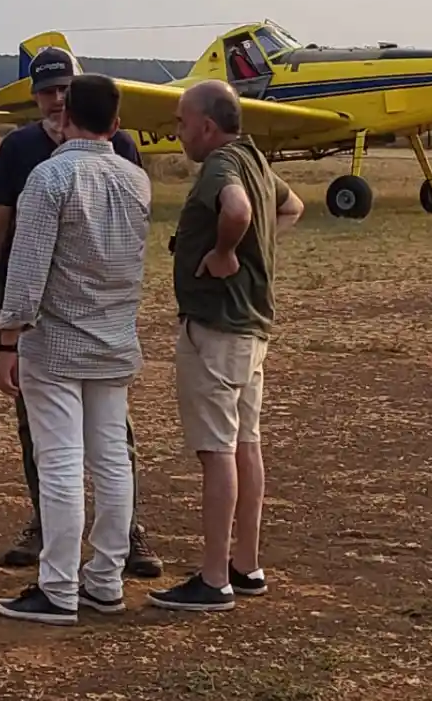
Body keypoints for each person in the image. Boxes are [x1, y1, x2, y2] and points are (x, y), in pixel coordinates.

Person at [0, 46, 162, 578]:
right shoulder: (22, 151)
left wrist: (13, 335)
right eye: (47, 91)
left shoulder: (80, 166)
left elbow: (79, 251)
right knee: (54, 441)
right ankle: (82, 556)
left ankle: (85, 565)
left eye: (65, 91)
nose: (56, 100)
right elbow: (3, 235)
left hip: (70, 329)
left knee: (89, 449)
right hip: (84, 327)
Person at [148, 79, 304, 612]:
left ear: (207, 126)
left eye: (182, 122)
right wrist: (256, 251)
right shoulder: (256, 159)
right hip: (249, 329)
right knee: (246, 445)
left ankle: (214, 577)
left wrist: (223, 253)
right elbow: (292, 207)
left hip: (216, 327)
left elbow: (235, 211)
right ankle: (246, 563)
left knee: (217, 452)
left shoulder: (221, 166)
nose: (179, 131)